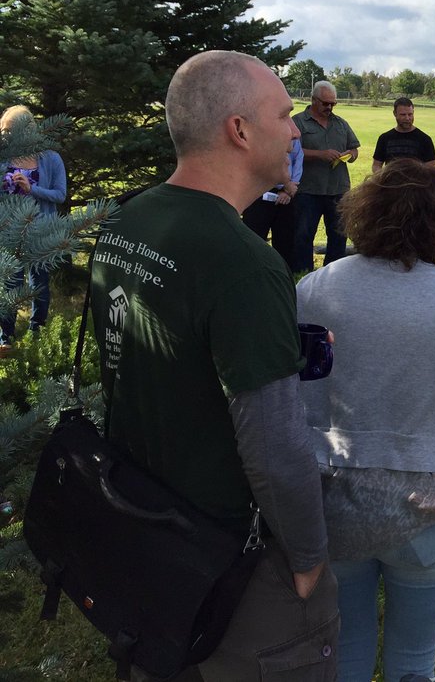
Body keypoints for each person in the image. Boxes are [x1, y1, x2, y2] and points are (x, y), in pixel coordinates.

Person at [90, 51, 338, 679]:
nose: (295, 130)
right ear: (239, 130)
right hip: (229, 559)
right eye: (285, 115)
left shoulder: (127, 219)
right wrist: (308, 559)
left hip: (143, 528)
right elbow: (275, 444)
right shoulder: (243, 263)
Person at [296, 160, 435, 681]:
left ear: (363, 212)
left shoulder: (313, 288)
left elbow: (282, 389)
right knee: (414, 662)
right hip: (431, 503)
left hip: (334, 497)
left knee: (346, 649)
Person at [0, 105, 67, 350]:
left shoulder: (50, 158)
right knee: (11, 285)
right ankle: (5, 337)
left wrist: (32, 188)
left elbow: (60, 195)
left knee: (39, 283)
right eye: (4, 132)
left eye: (10, 132)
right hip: (8, 233)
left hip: (41, 233)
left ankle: (36, 332)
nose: (6, 137)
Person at [292, 81, 360, 272]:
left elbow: (354, 148)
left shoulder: (340, 123)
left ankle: (332, 273)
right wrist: (319, 154)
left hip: (338, 190)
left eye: (333, 104)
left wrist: (350, 155)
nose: (329, 107)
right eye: (325, 103)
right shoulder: (298, 122)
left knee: (338, 235)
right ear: (313, 100)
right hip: (308, 190)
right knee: (303, 234)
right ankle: (303, 272)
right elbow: (290, 151)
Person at [243, 136, 303, 269]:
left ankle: (282, 273)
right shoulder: (258, 130)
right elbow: (260, 162)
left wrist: (288, 189)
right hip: (258, 193)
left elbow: (298, 159)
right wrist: (285, 184)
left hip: (287, 194)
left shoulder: (292, 133)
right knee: (255, 237)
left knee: (285, 239)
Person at [371, 97, 435, 171]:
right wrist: (383, 178)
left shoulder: (424, 139)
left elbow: (432, 169)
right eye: (403, 115)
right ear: (395, 114)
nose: (407, 118)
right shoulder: (384, 138)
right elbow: (376, 165)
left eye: (410, 114)